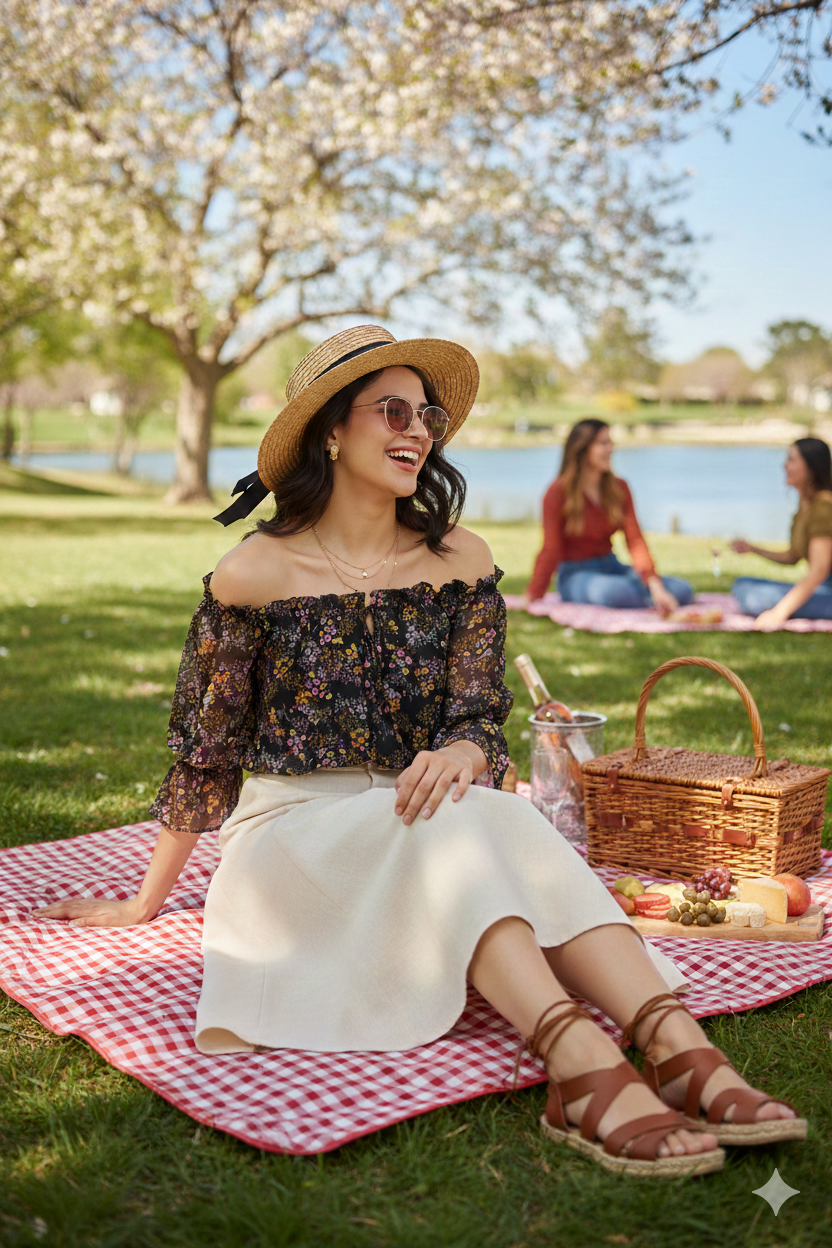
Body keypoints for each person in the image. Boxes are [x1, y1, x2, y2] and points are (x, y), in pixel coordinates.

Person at [34, 327, 802, 1176]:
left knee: (479, 810)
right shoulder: (254, 571)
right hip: (298, 833)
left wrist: (469, 755)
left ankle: (672, 1038)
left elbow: (478, 717)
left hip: (431, 809)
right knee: (448, 820)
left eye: (426, 414)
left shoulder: (460, 561)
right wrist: (146, 902)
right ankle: (578, 1058)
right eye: (390, 410)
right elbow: (205, 753)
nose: (417, 431)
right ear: (330, 431)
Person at [519, 419, 693, 613]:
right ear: (582, 449)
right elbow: (551, 550)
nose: (611, 449)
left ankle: (645, 596)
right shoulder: (557, 493)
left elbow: (635, 541)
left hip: (612, 566)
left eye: (610, 442)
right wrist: (533, 594)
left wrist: (656, 586)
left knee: (681, 590)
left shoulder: (619, 488)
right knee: (616, 593)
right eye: (603, 443)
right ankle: (639, 597)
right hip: (576, 574)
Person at [731, 437, 832, 630]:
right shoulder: (806, 506)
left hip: (828, 591)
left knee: (753, 598)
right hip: (822, 588)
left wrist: (780, 611)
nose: (784, 466)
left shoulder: (823, 508)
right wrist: (752, 549)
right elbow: (793, 556)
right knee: (742, 584)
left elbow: (819, 571)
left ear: (811, 467)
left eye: (792, 460)